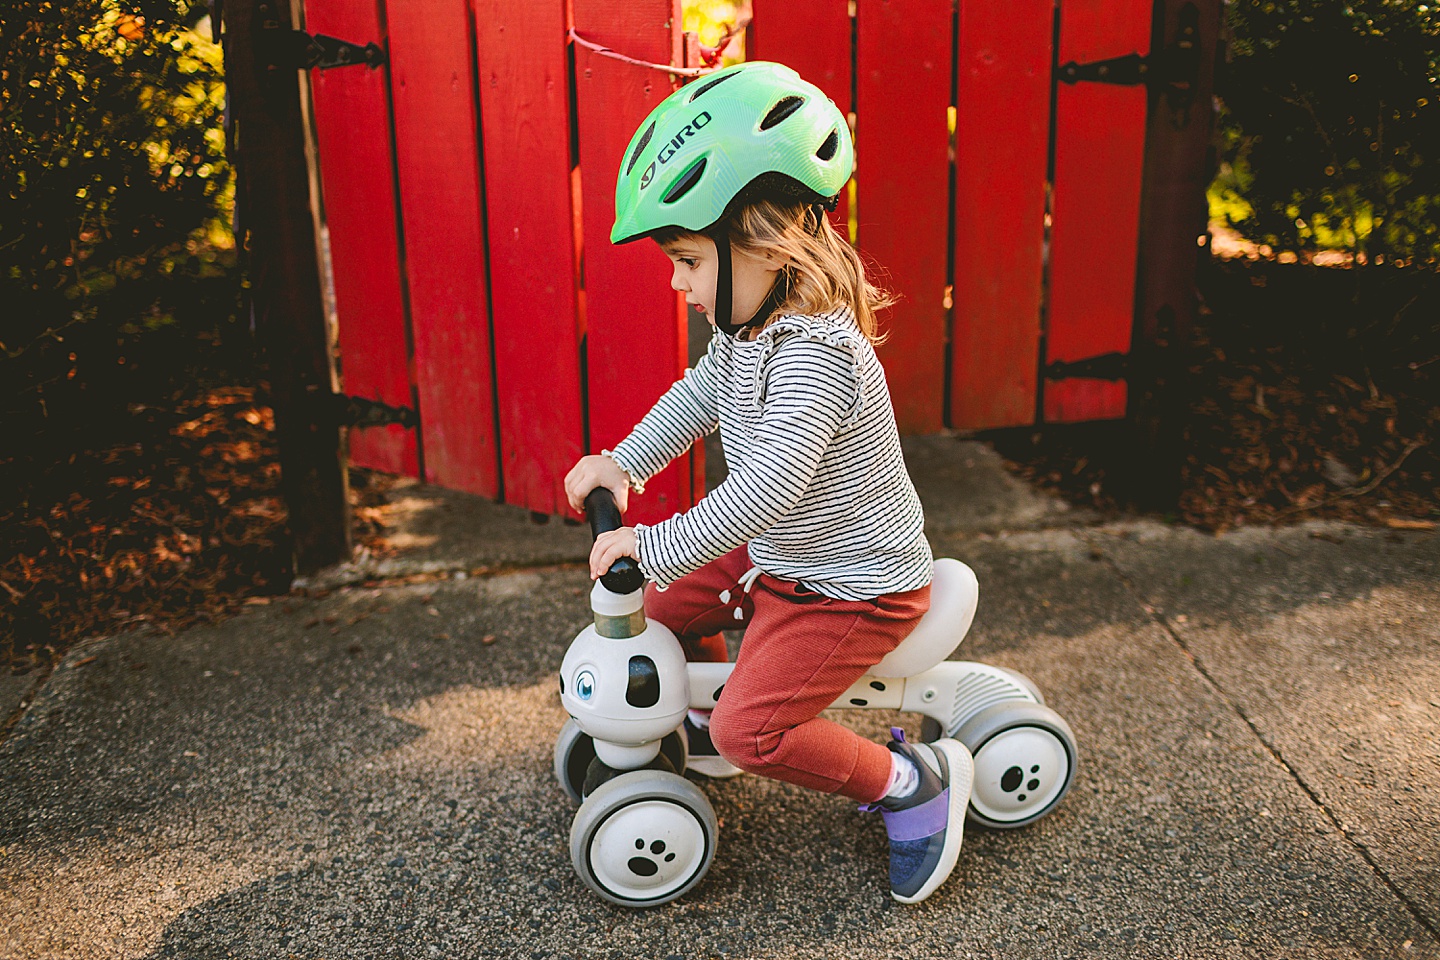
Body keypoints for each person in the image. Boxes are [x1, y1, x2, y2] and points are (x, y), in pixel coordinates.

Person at [562, 61, 974, 905]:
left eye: (686, 258)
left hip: (851, 588)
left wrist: (657, 544)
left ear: (762, 241)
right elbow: (698, 397)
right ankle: (701, 719)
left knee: (755, 730)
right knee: (663, 621)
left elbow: (768, 487)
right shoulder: (744, 331)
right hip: (778, 557)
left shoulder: (820, 352)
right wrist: (626, 462)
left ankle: (908, 782)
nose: (677, 282)